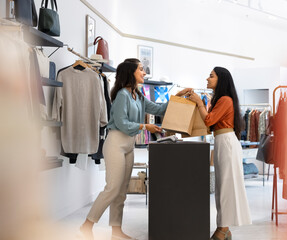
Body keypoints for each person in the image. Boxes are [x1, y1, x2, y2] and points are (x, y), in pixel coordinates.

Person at [80, 58, 191, 240]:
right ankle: (86, 226)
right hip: (116, 142)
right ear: (131, 72)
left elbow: (158, 108)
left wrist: (178, 96)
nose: (144, 72)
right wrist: (145, 127)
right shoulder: (123, 95)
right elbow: (122, 123)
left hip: (128, 145)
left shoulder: (137, 95)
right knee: (113, 188)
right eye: (141, 69)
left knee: (122, 191)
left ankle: (116, 231)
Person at [188, 67, 252, 240]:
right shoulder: (222, 99)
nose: (207, 79)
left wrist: (199, 103)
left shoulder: (225, 99)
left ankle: (222, 230)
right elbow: (210, 123)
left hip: (226, 143)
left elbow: (209, 120)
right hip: (222, 141)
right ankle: (224, 229)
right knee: (222, 186)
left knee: (225, 187)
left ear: (221, 79)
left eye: (211, 76)